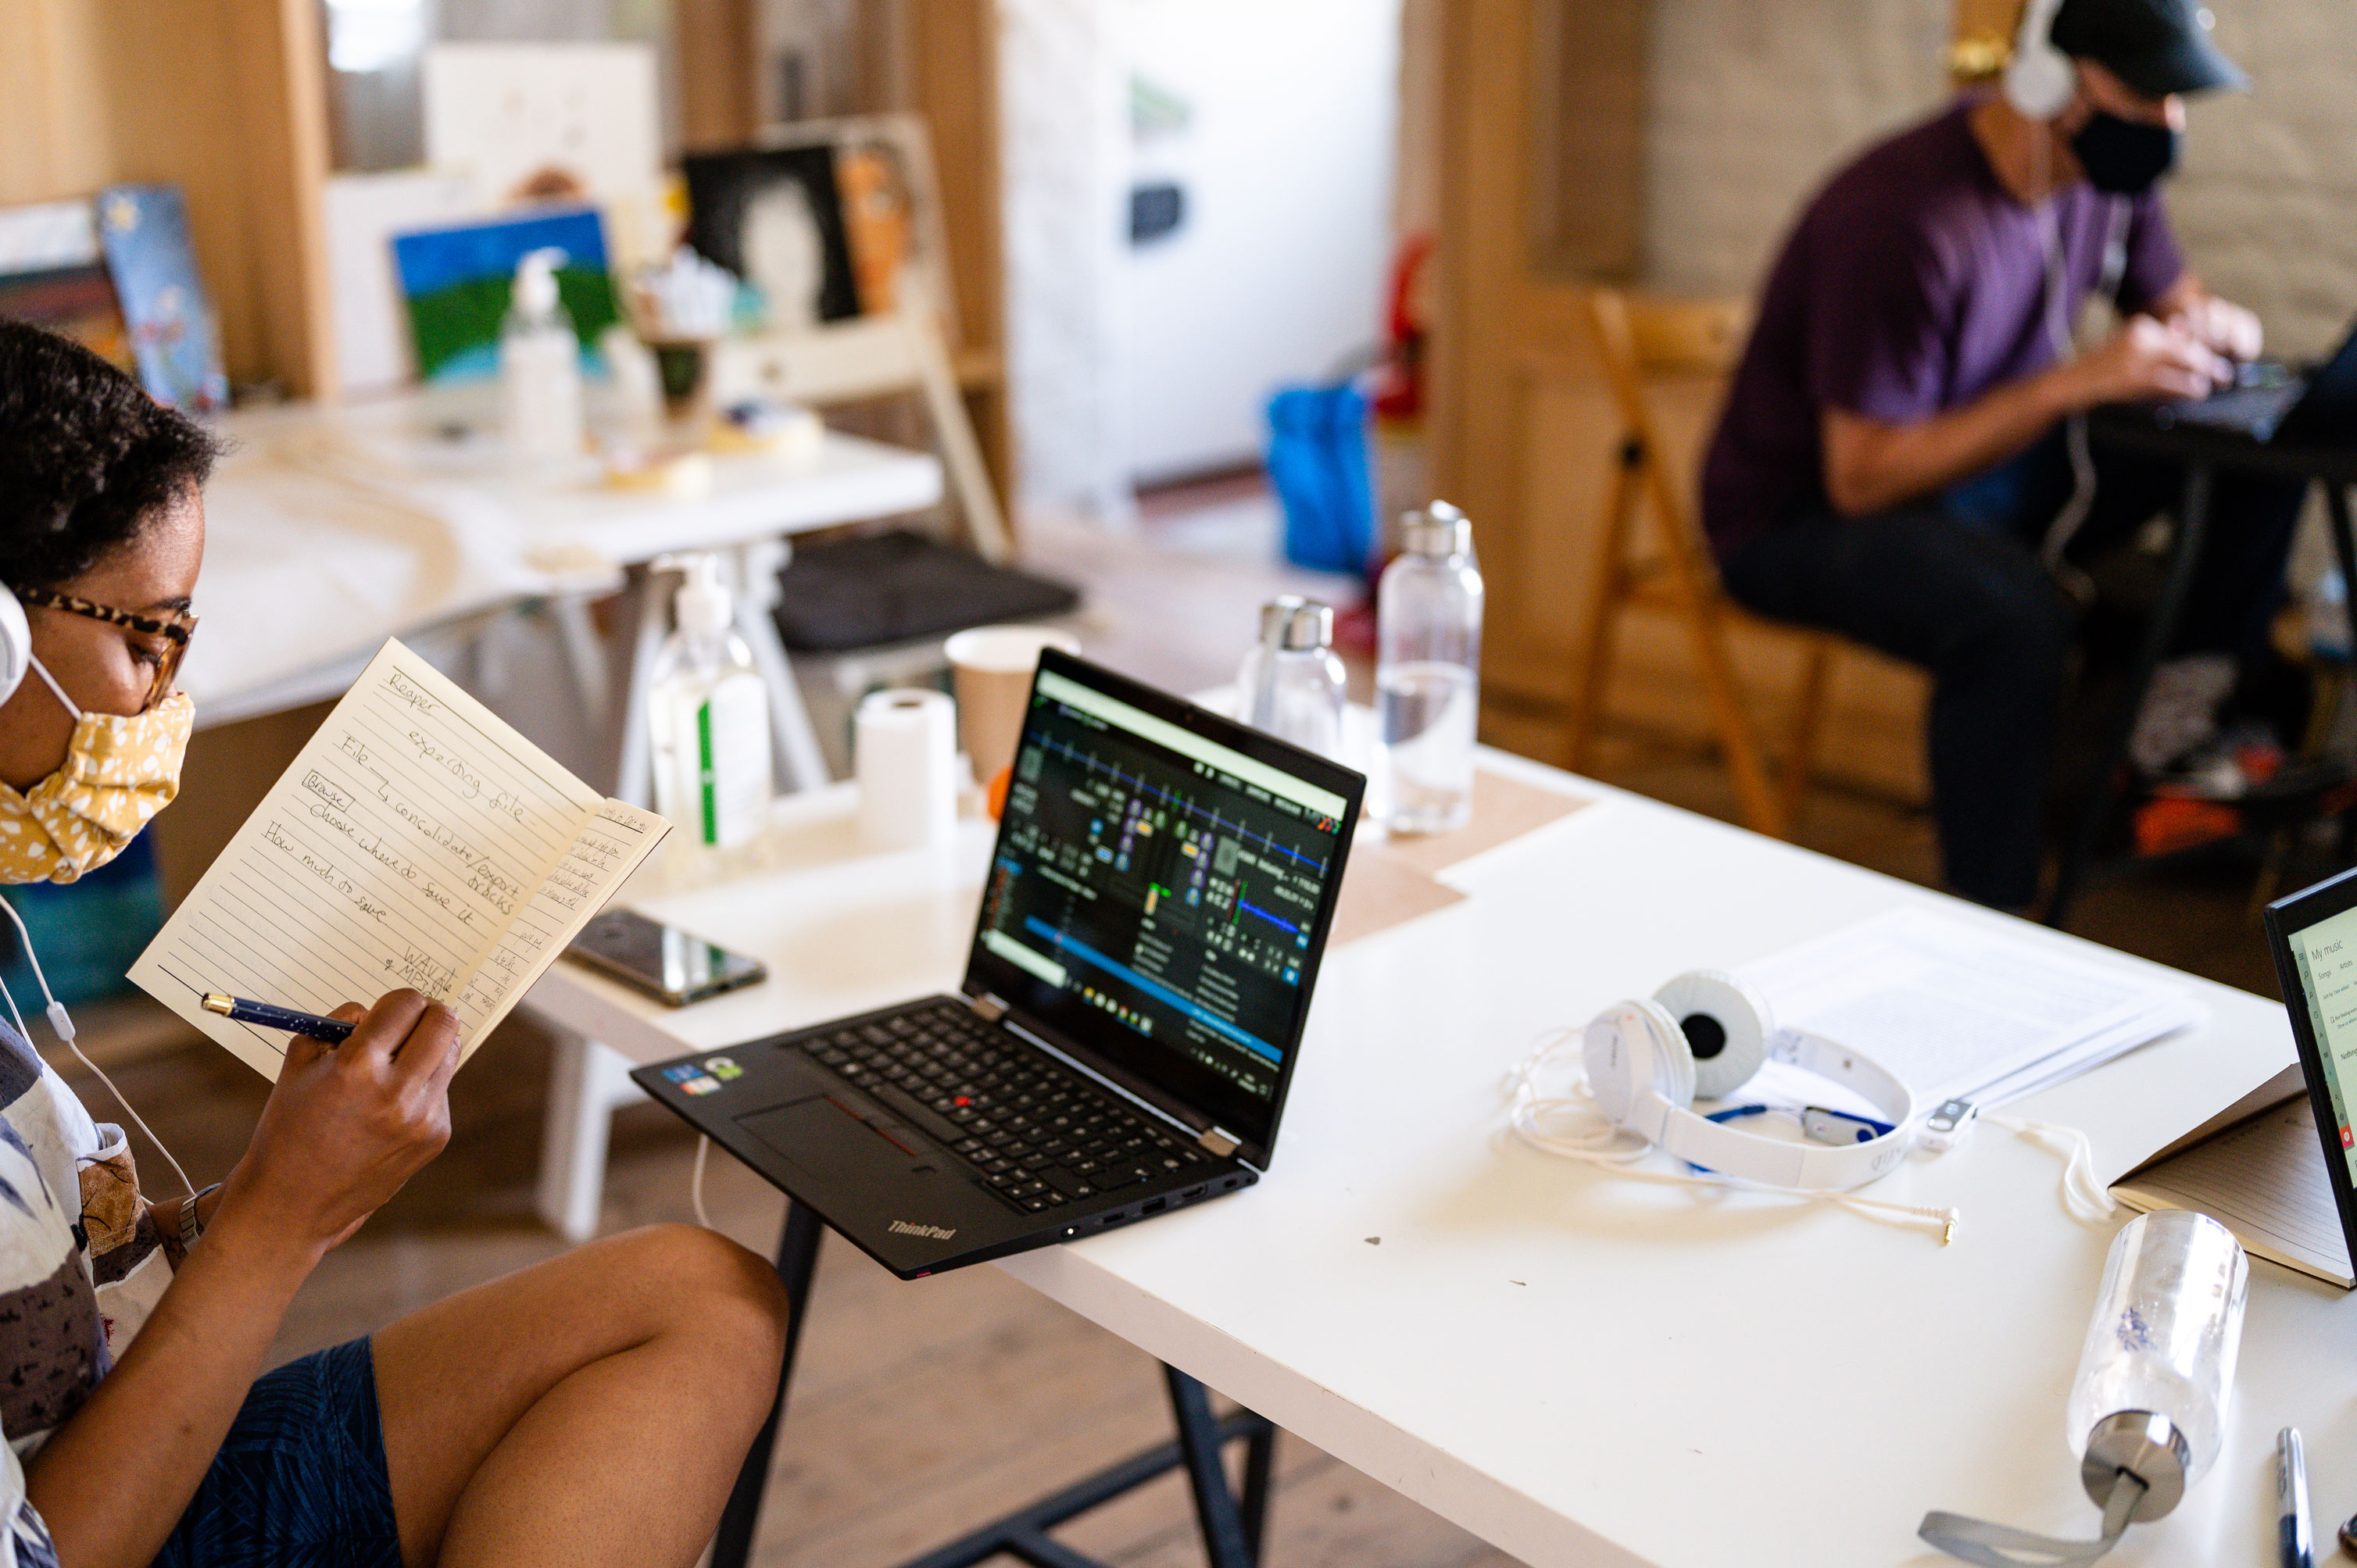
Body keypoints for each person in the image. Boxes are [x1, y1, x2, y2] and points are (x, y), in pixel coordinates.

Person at [0, 317, 793, 1567]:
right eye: (142, 634)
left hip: (69, 1440)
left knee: (705, 1294)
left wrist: (226, 1211)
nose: (162, 697)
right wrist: (279, 1224)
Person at [1699, 0, 2299, 911]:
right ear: (2048, 82)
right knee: (2011, 618)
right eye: (2148, 97)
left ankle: (2171, 727)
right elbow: (1859, 479)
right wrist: (2071, 383)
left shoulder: (2106, 179)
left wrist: (2209, 327)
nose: (2169, 122)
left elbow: (2173, 295)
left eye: (2178, 98)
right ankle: (1997, 917)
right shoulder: (1899, 218)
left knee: (2257, 448)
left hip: (1975, 475)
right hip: (1799, 521)